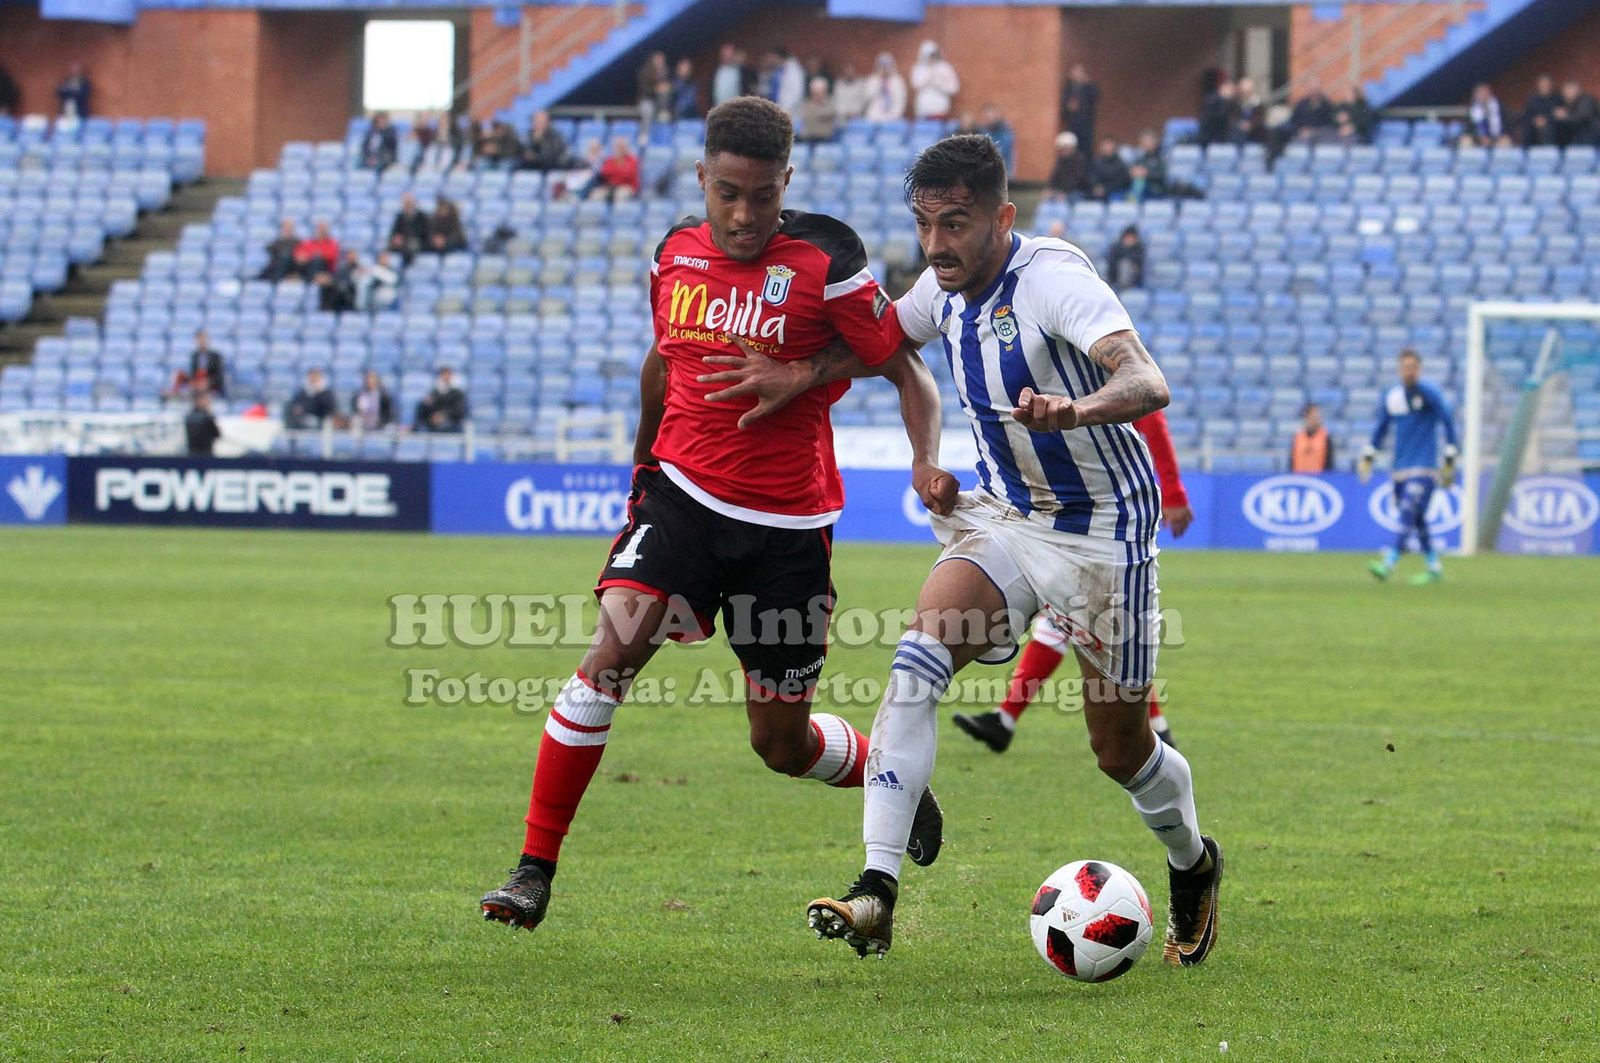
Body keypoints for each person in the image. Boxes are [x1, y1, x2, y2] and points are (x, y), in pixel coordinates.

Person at [698, 134, 1221, 966]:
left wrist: (1072, 412)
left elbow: (1146, 381)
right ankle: (876, 887)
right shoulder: (941, 291)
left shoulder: (1053, 280)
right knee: (915, 662)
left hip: (1103, 541)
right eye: (926, 223)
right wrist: (809, 378)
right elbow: (878, 345)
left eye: (957, 224)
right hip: (1007, 520)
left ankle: (1194, 861)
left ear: (1002, 217)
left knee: (1120, 751)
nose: (937, 244)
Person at [476, 97, 949, 934]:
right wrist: (640, 470)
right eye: (727, 192)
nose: (742, 214)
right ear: (701, 178)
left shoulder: (827, 259)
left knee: (780, 744)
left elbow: (904, 369)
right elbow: (662, 363)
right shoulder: (673, 256)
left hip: (787, 533)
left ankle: (890, 779)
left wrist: (919, 457)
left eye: (761, 196)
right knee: (610, 654)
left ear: (786, 185)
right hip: (681, 500)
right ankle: (532, 868)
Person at [953, 407, 1196, 753]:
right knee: (1084, 621)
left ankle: (1006, 719)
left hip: (1102, 514)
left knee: (1086, 621)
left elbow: (1152, 420)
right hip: (1067, 507)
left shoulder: (1104, 365)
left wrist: (1172, 493)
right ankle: (1006, 719)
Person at [1360, 349, 1457, 584]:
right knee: (1418, 517)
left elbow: (1447, 420)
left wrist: (1450, 457)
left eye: (1413, 366)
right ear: (1399, 369)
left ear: (1419, 369)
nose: (1409, 371)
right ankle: (1434, 568)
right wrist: (1369, 456)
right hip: (1400, 468)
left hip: (1424, 467)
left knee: (1408, 509)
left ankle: (1389, 562)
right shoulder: (1392, 397)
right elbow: (1382, 428)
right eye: (1405, 367)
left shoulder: (1430, 393)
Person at [909, 40, 960, 121]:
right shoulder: (918, 69)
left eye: (933, 55)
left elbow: (954, 88)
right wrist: (929, 76)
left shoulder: (945, 68)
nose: (931, 58)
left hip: (941, 108)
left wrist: (939, 84)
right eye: (929, 55)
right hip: (923, 109)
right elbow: (916, 85)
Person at [413, 366, 468, 432]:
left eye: (447, 374)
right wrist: (428, 404)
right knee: (421, 405)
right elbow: (431, 407)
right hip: (434, 420)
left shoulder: (458, 393)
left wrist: (443, 415)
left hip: (451, 421)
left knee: (443, 425)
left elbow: (459, 410)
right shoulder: (435, 391)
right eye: (443, 375)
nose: (445, 377)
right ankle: (415, 428)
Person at [1059, 62, 1099, 148]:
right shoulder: (1067, 90)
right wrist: (1068, 108)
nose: (1077, 74)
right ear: (1070, 74)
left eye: (1080, 72)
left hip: (1086, 125)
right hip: (1072, 125)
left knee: (1086, 148)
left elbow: (1096, 96)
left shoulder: (1088, 87)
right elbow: (1062, 109)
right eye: (1075, 72)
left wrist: (1087, 83)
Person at [1290, 401, 1335, 473]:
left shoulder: (1326, 437)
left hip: (1319, 479)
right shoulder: (1297, 437)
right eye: (1314, 415)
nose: (1317, 418)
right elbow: (1291, 461)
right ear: (1306, 417)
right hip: (1299, 478)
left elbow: (1329, 463)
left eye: (1318, 416)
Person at [863, 52, 907, 123]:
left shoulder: (898, 81)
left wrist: (895, 115)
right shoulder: (872, 80)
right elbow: (868, 96)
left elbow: (900, 100)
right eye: (882, 66)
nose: (884, 69)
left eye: (887, 66)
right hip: (874, 116)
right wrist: (878, 80)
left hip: (893, 116)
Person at [1553, 80, 1599, 147]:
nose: (1568, 94)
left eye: (1571, 91)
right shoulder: (1563, 102)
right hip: (1575, 133)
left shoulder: (1587, 100)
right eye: (1566, 92)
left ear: (1578, 91)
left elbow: (1581, 117)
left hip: (1591, 132)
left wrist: (1565, 116)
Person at [1044, 131, 1089, 201]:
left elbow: (1077, 179)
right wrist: (1050, 189)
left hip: (1078, 191)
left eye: (1066, 148)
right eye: (1062, 148)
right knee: (1047, 200)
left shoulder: (1080, 160)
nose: (1064, 150)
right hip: (1062, 191)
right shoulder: (1060, 160)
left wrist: (1065, 192)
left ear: (1073, 147)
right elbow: (1055, 176)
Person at [387, 193, 430, 265]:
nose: (408, 206)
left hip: (419, 242)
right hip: (404, 243)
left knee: (412, 245)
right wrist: (395, 239)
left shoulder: (422, 217)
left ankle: (407, 266)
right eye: (405, 204)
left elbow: (426, 233)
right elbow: (394, 232)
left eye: (409, 203)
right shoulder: (400, 217)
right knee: (388, 248)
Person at [1128, 129, 1168, 200]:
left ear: (1155, 142)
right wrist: (1132, 172)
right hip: (1142, 187)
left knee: (1140, 182)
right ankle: (1133, 201)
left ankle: (1132, 201)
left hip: (1156, 188)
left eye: (1148, 140)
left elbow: (1162, 175)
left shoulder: (1161, 158)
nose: (1146, 143)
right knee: (1138, 181)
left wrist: (1146, 173)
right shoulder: (1140, 158)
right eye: (1144, 141)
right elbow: (1133, 172)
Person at [796, 77, 838, 143]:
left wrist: (816, 113)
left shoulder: (831, 105)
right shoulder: (805, 105)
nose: (818, 96)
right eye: (815, 93)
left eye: (820, 92)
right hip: (807, 139)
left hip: (826, 140)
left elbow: (831, 113)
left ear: (825, 92)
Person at [1088, 137, 1132, 201]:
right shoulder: (1095, 161)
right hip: (1097, 191)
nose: (1108, 149)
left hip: (1115, 191)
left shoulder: (1120, 164)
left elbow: (1121, 181)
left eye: (1110, 146)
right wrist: (1095, 186)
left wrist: (1105, 188)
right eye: (1106, 146)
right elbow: (1091, 176)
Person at [1521, 74, 1560, 145]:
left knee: (1547, 129)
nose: (1544, 86)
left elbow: (1559, 114)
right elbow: (1527, 114)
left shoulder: (1557, 98)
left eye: (1546, 84)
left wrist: (1546, 120)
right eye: (1542, 84)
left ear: (1551, 85)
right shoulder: (1532, 99)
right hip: (1534, 124)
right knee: (1527, 128)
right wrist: (1535, 120)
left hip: (1552, 125)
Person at [975, 103, 1015, 171]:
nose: (989, 118)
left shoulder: (1006, 130)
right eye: (987, 116)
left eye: (991, 115)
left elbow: (1003, 150)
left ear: (997, 114)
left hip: (1003, 170)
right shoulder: (982, 130)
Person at [187, 330, 226, 398]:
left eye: (204, 338)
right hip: (198, 386)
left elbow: (219, 376)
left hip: (212, 387)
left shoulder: (216, 356)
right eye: (199, 339)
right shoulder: (194, 356)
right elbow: (192, 373)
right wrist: (194, 383)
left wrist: (208, 382)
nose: (202, 341)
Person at [1198, 79, 1238, 146]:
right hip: (1211, 135)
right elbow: (1213, 118)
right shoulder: (1212, 100)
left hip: (1223, 135)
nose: (1232, 93)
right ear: (1223, 88)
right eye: (1230, 90)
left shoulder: (1229, 102)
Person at [1106, 225, 1145, 290]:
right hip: (1116, 275)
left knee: (1125, 264)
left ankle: (1124, 286)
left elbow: (1140, 263)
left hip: (1134, 277)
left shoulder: (1139, 248)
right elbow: (1112, 262)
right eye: (1128, 237)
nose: (1129, 239)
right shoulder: (1116, 248)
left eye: (1132, 238)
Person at [185, 391, 221, 457]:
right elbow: (216, 434)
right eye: (205, 400)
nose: (207, 402)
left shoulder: (189, 416)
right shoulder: (207, 417)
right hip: (202, 453)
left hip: (194, 453)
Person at [711, 44, 745, 108]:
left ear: (734, 55)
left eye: (729, 54)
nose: (727, 56)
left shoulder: (741, 71)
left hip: (738, 109)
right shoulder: (716, 72)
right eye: (724, 54)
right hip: (719, 109)